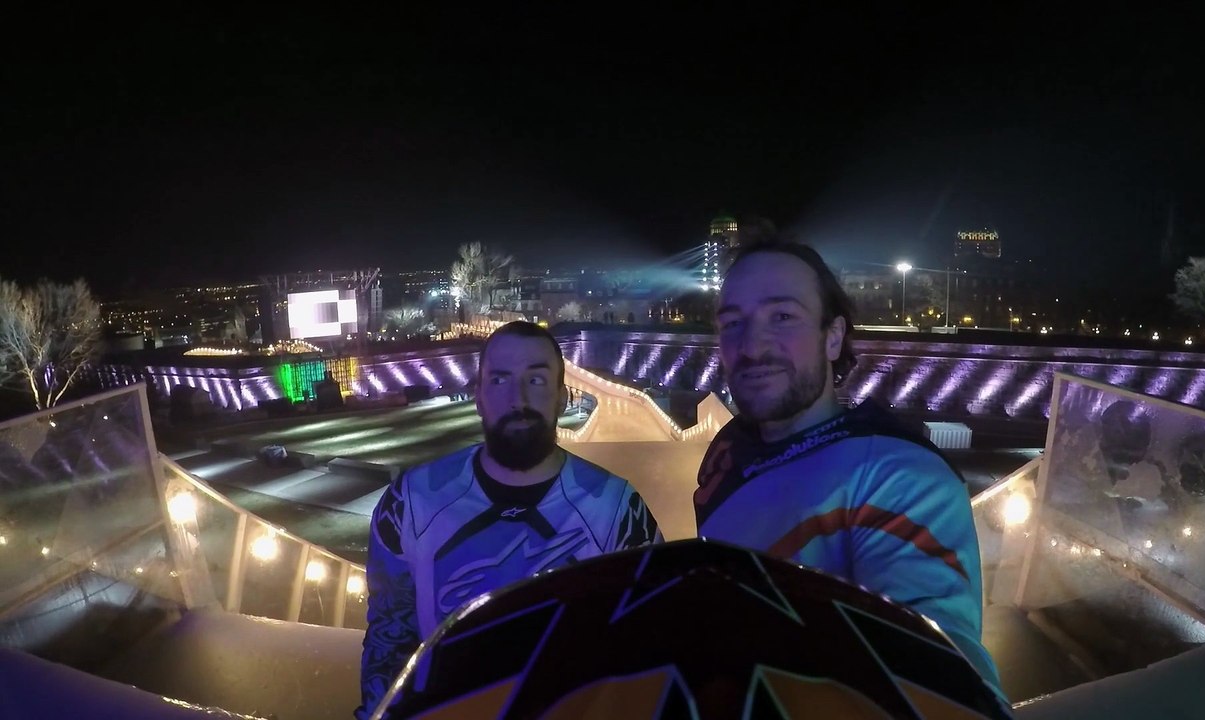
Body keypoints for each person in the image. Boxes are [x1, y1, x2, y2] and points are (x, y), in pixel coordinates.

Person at [694, 239, 1006, 700]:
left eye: (782, 317)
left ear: (834, 336)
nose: (752, 345)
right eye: (733, 323)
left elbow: (941, 677)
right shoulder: (729, 450)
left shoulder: (899, 475)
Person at [357, 321, 662, 718]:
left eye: (535, 379)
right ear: (478, 397)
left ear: (562, 398)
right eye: (499, 380)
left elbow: (653, 643)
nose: (517, 399)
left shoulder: (618, 509)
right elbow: (388, 641)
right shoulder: (410, 502)